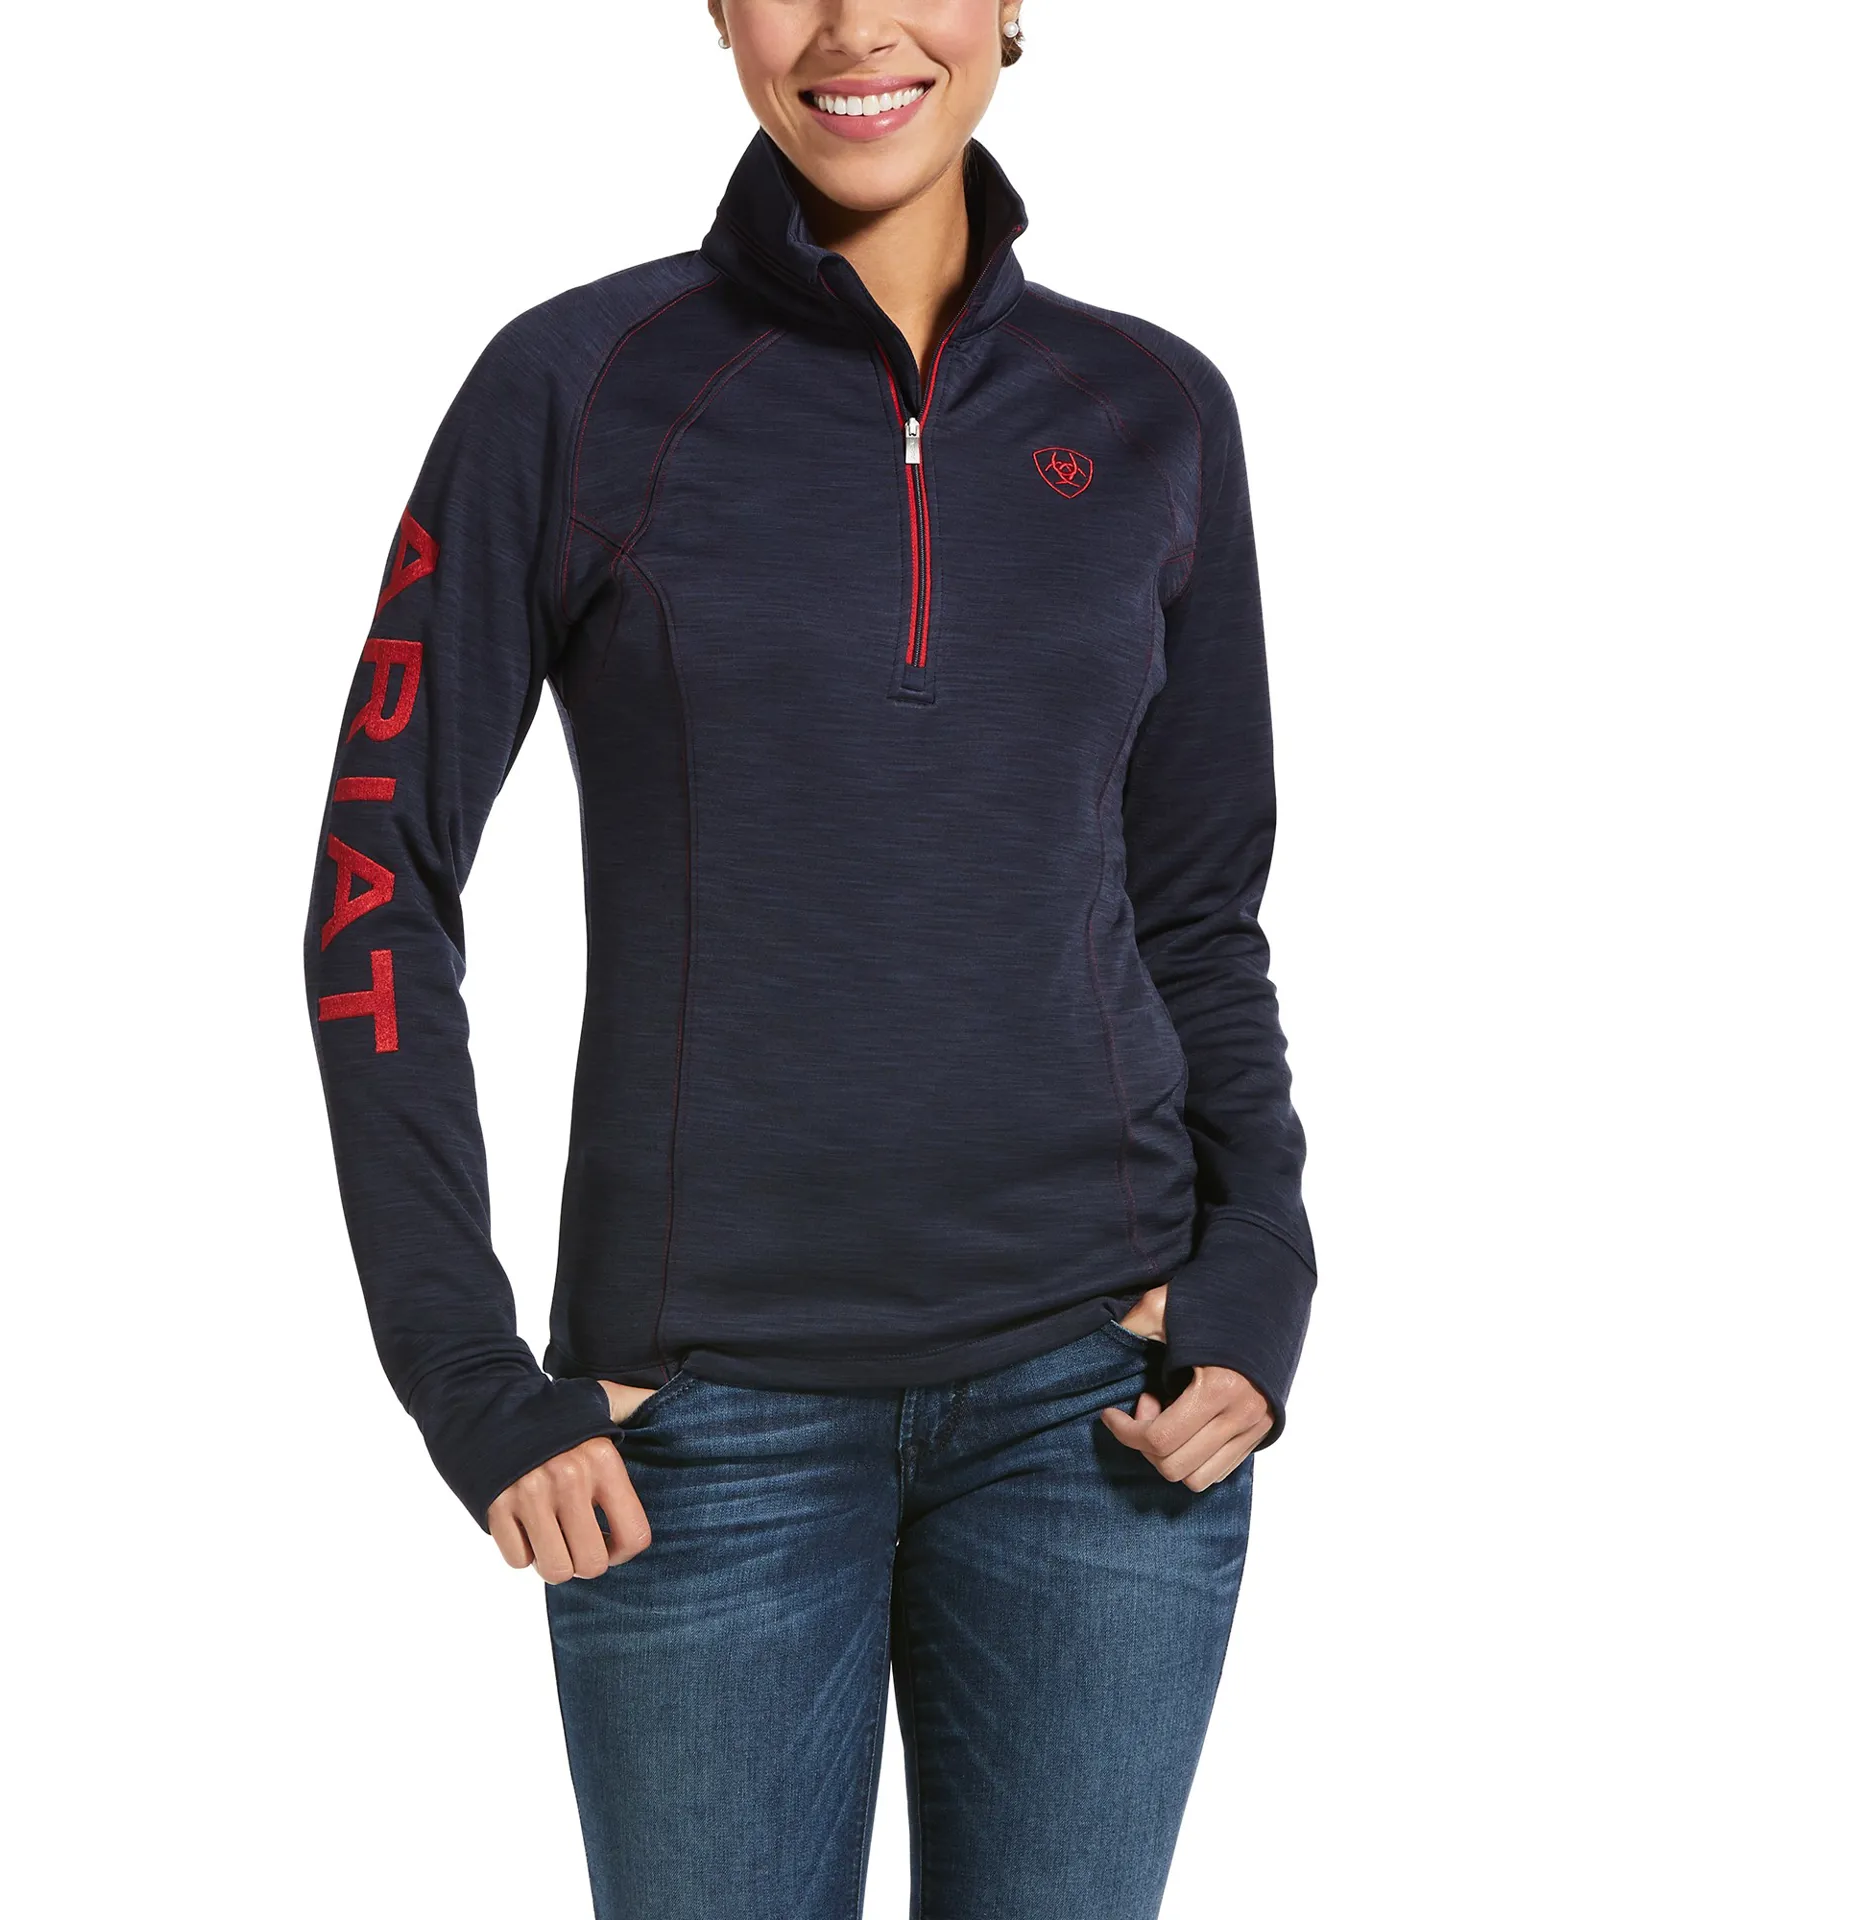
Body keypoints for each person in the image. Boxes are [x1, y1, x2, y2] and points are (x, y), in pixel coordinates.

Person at [302, 4, 1316, 1915]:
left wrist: (1259, 1268)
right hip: (694, 1438)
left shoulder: (1154, 410)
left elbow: (1200, 908)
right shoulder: (576, 386)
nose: (857, 26)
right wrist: (467, 1374)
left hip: (1103, 1411)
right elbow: (378, 886)